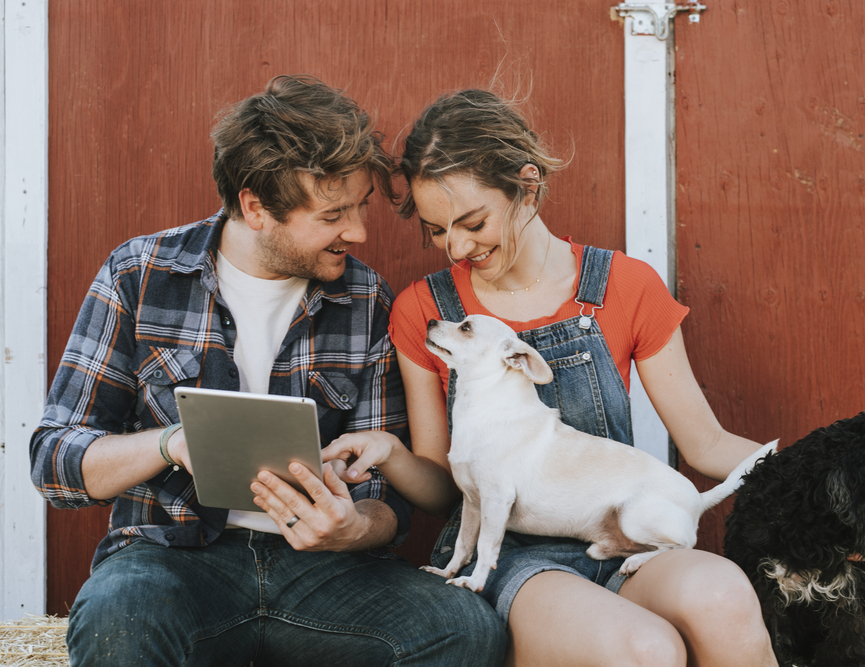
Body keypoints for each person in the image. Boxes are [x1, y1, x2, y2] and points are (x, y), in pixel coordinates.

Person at [29, 76, 507, 667]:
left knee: (466, 630)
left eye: (360, 207)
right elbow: (55, 463)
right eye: (334, 215)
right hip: (172, 557)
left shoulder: (366, 298)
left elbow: (392, 502)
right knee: (115, 620)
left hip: (327, 573)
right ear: (256, 207)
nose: (357, 232)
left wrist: (354, 528)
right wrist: (173, 444)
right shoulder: (140, 274)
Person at [317, 89, 780, 666]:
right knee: (644, 650)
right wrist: (390, 450)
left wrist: (817, 480)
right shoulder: (422, 311)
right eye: (437, 231)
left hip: (621, 530)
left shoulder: (626, 286)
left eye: (473, 222)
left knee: (724, 597)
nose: (457, 248)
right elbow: (443, 487)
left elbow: (706, 444)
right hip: (509, 552)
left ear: (527, 185)